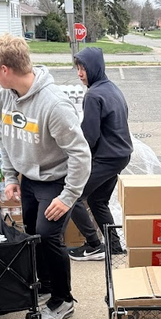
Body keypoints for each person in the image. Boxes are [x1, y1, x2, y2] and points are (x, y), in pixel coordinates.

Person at [0, 34, 91, 319]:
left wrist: (68, 197)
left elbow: (81, 154)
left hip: (56, 181)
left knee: (48, 236)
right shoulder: (4, 98)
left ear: (5, 69)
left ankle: (63, 300)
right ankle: (45, 286)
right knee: (32, 234)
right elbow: (5, 138)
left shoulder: (54, 105)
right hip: (28, 180)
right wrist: (11, 176)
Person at [67, 47, 133, 261]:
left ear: (94, 67)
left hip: (107, 157)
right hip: (121, 155)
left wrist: (74, 158)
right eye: (77, 68)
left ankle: (94, 245)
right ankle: (114, 247)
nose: (80, 73)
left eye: (83, 68)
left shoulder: (93, 95)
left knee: (72, 196)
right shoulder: (112, 88)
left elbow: (89, 136)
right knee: (97, 200)